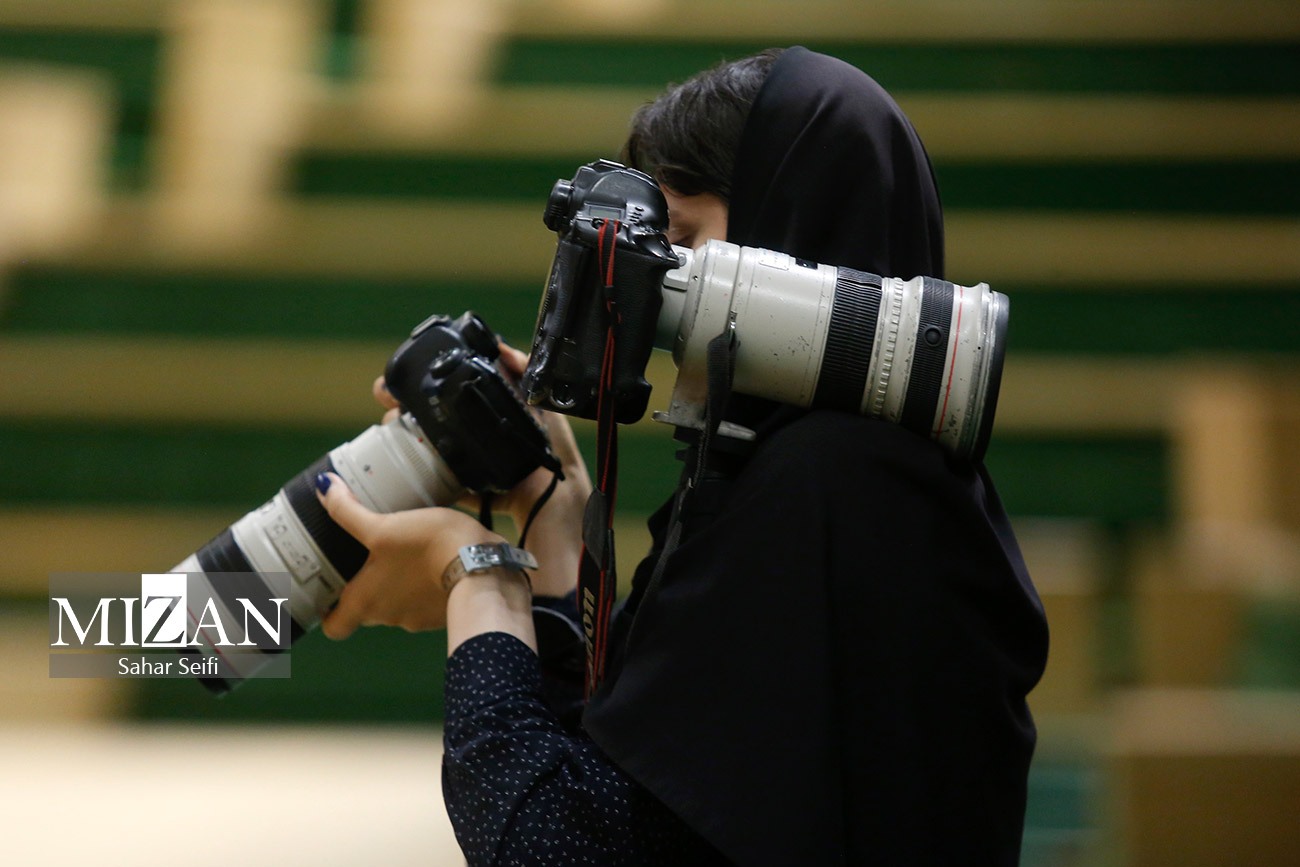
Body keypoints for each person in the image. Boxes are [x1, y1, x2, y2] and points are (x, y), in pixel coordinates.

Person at [313, 46, 1050, 866]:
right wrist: (555, 522)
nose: (651, 288)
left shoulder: (832, 490)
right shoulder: (825, 473)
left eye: (683, 241)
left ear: (789, 237)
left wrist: (476, 575)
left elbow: (550, 849)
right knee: (221, 609)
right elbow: (622, 788)